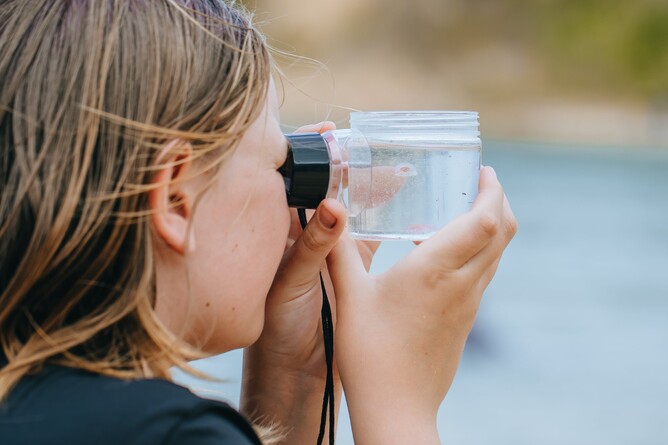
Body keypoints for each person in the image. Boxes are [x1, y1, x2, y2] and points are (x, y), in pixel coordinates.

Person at [0, 1, 517, 444]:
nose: (299, 210)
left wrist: (296, 380)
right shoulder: (167, 433)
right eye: (279, 167)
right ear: (176, 199)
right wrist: (399, 401)